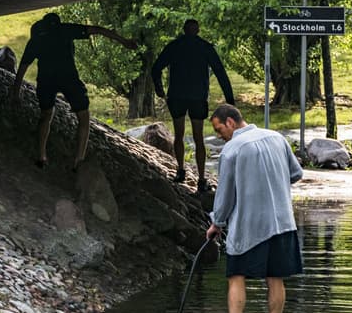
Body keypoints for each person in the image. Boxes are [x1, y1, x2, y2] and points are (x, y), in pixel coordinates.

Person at [206, 104, 304, 313]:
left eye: (219, 130)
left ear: (230, 122)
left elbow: (225, 194)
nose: (220, 136)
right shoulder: (277, 138)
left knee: (236, 276)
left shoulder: (232, 150)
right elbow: (296, 173)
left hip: (249, 227)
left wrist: (216, 223)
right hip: (283, 222)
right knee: (275, 277)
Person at [12, 13, 136, 170]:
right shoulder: (66, 30)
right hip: (68, 79)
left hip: (46, 80)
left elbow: (23, 67)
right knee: (83, 117)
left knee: (45, 115)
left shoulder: (37, 39)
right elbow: (98, 30)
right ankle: (79, 160)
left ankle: (41, 156)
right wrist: (123, 41)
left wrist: (15, 92)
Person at [151, 19, 234, 191]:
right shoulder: (205, 47)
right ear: (197, 30)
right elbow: (220, 72)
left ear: (184, 29)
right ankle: (202, 179)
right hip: (197, 97)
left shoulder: (174, 46)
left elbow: (156, 67)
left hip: (177, 95)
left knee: (179, 134)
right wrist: (230, 99)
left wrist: (159, 89)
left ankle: (180, 170)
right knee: (198, 137)